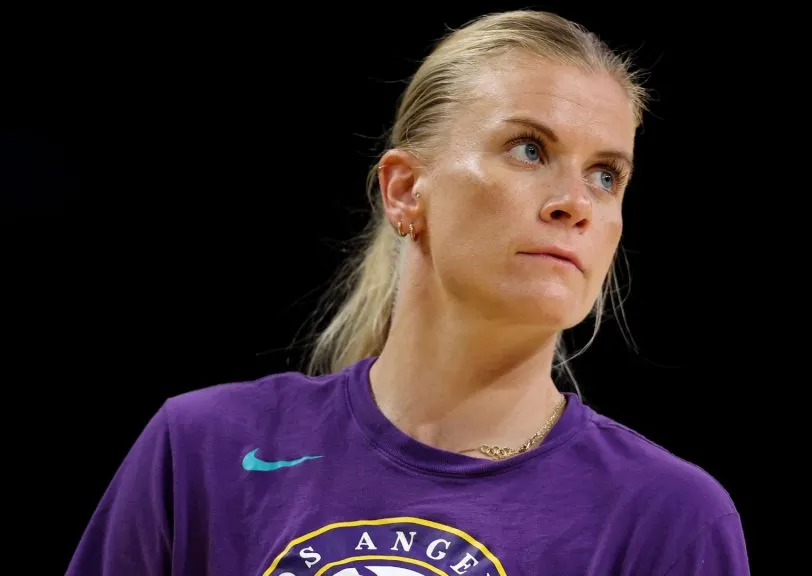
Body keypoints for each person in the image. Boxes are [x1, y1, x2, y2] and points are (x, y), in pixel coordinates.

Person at [67, 10, 750, 575]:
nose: (576, 202)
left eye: (606, 175)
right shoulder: (201, 452)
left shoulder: (670, 519)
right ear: (404, 190)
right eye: (529, 149)